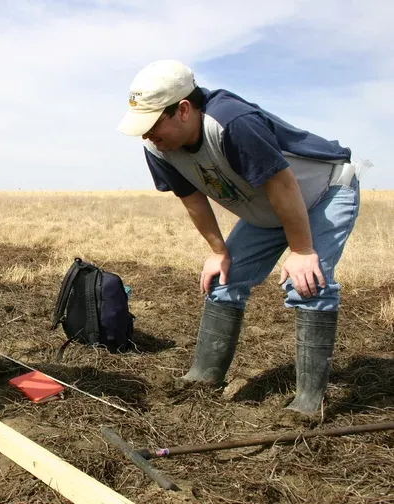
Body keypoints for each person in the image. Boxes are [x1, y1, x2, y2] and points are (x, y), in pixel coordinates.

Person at [117, 60, 363, 416]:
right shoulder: (159, 148)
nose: (147, 135)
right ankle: (205, 376)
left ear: (183, 109)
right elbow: (192, 199)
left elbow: (282, 184)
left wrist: (302, 249)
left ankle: (310, 400)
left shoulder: (232, 123)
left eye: (153, 124)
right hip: (267, 208)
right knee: (223, 279)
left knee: (310, 282)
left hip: (321, 192)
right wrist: (218, 251)